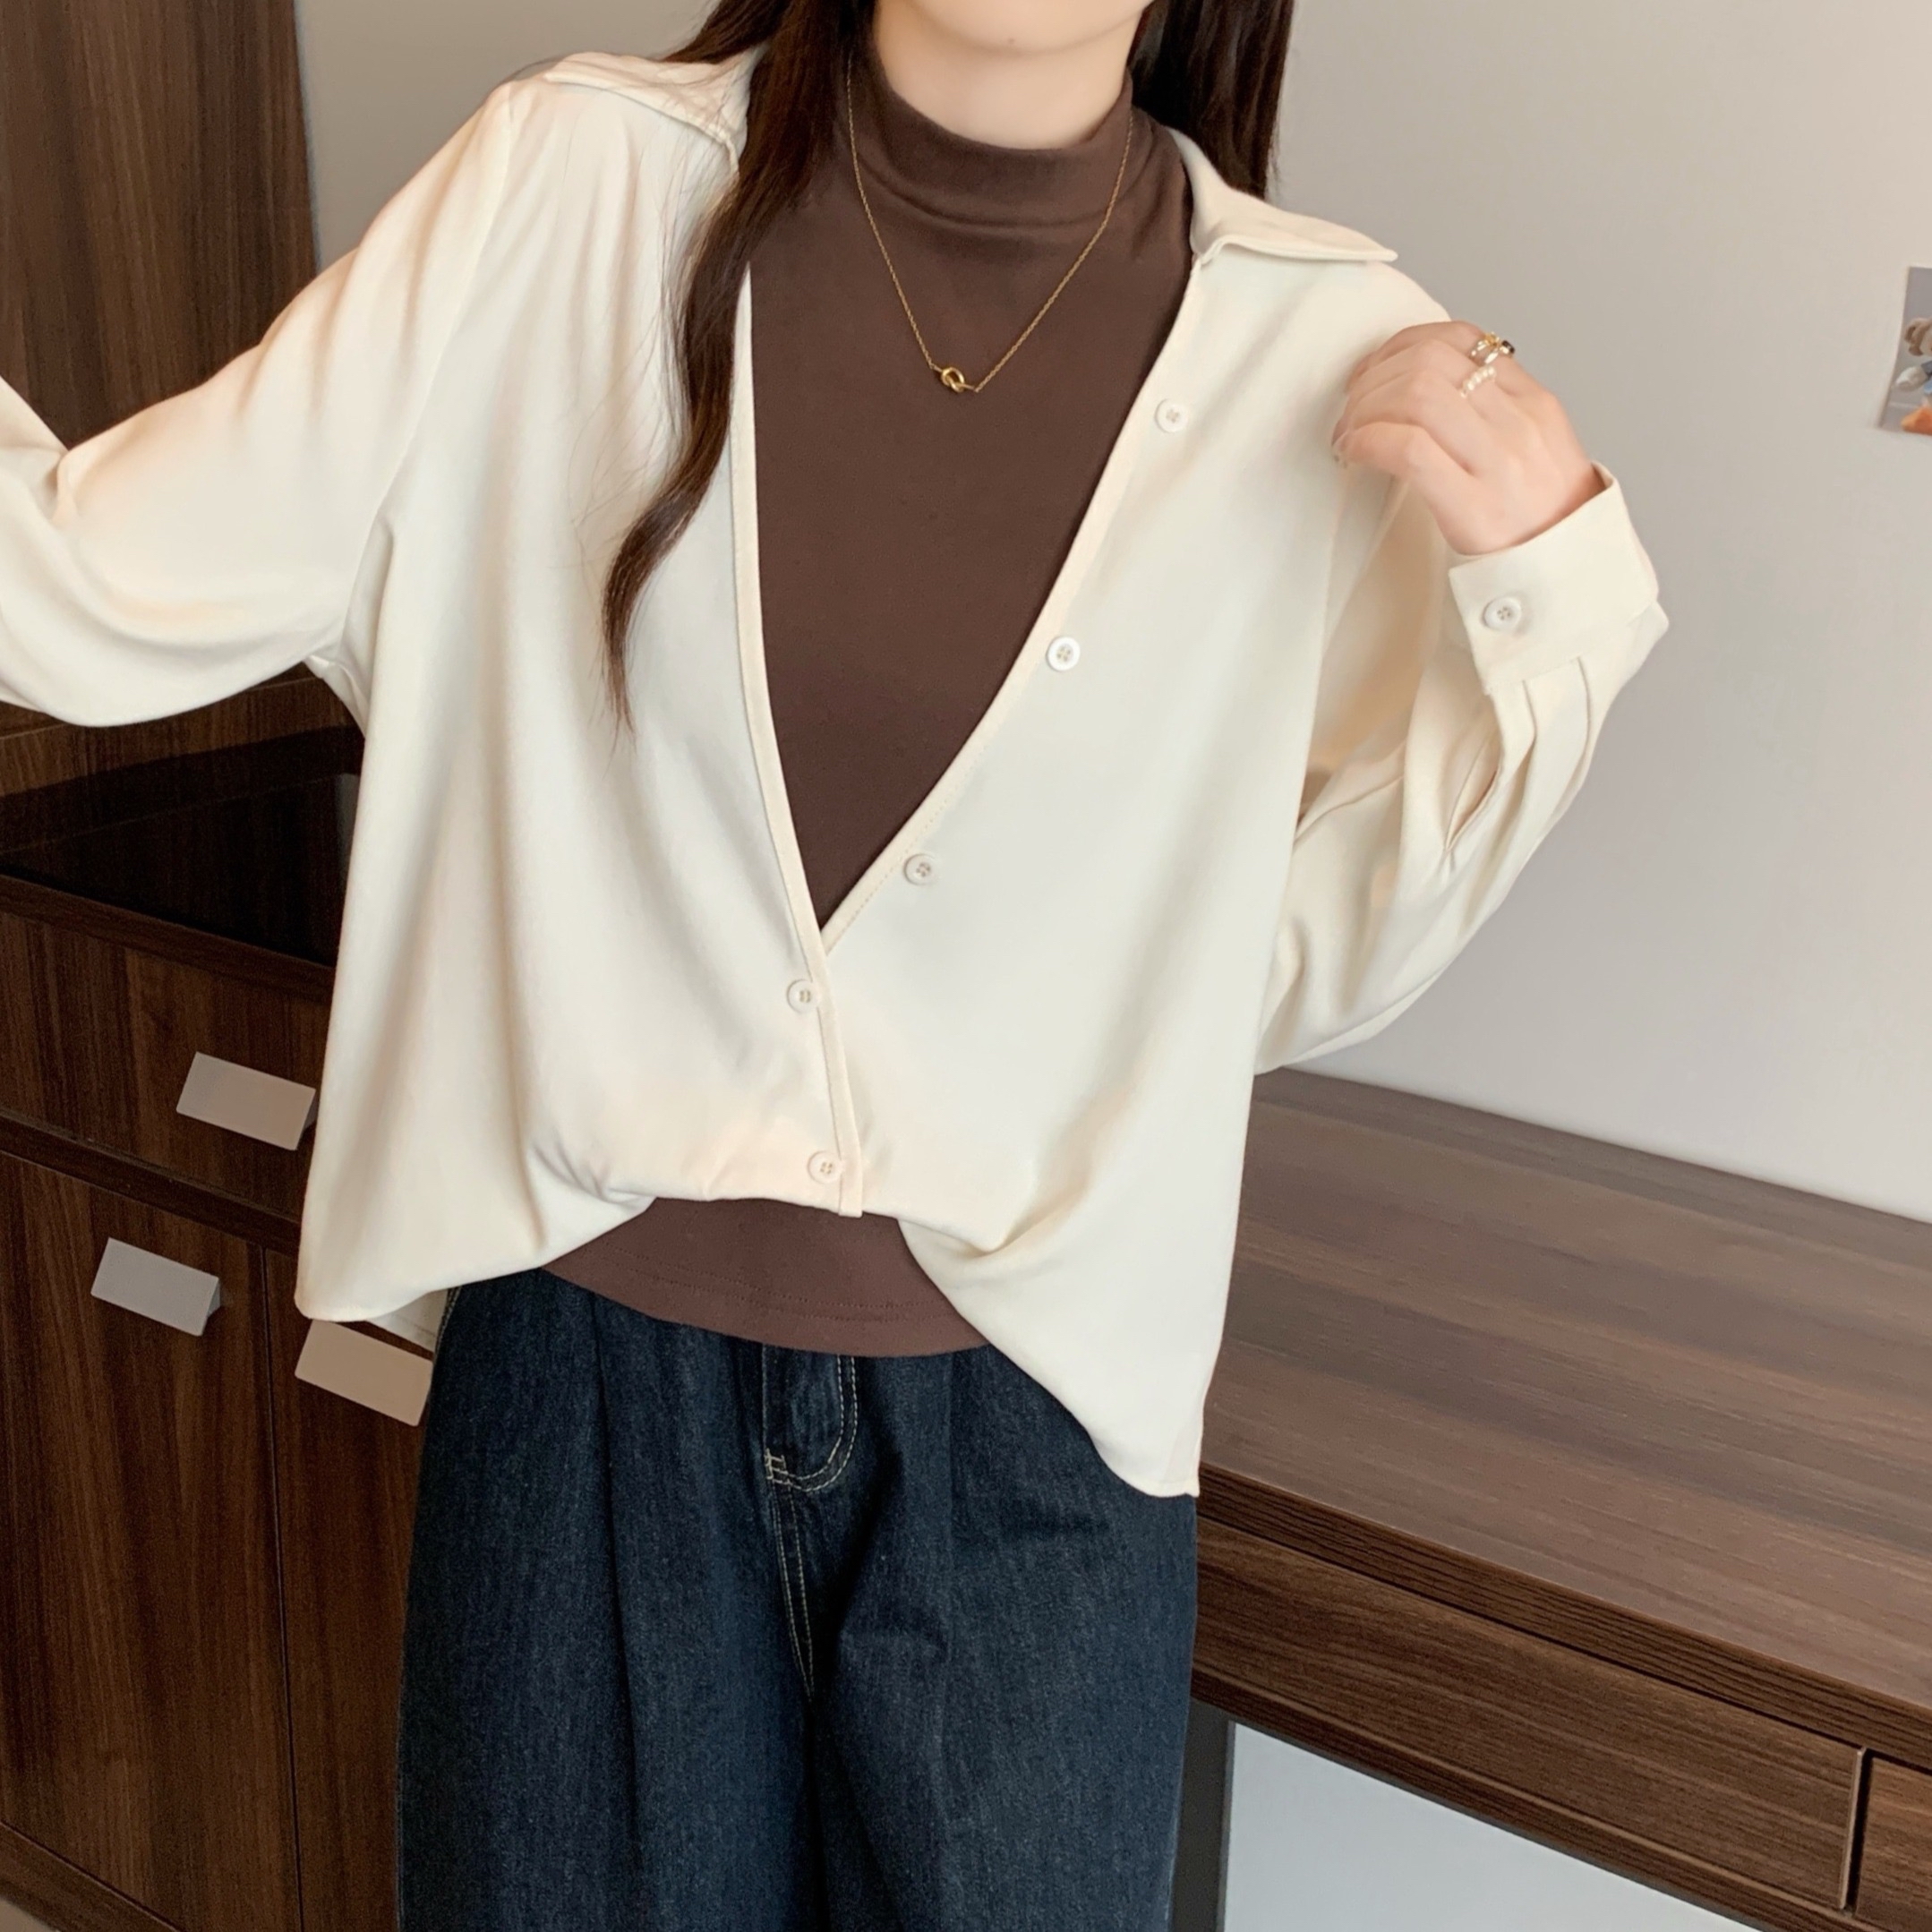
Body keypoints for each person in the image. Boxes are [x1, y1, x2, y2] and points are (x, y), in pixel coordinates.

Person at [0, 0, 1669, 1925]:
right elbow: (87, 588)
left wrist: (1560, 581)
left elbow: (1287, 962)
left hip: (1037, 1430)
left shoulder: (1322, 346)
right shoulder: (574, 187)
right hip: (585, 1393)